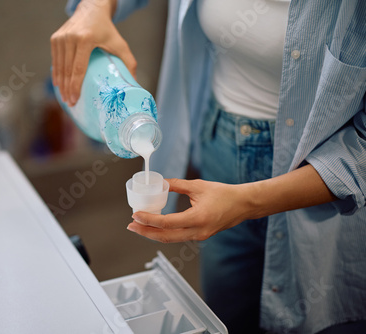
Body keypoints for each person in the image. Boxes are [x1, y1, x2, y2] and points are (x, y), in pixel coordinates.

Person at [50, 0, 366, 333]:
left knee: (322, 318)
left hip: (321, 184)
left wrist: (247, 202)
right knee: (227, 315)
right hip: (221, 151)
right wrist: (95, 7)